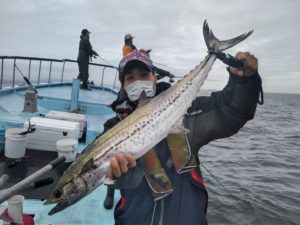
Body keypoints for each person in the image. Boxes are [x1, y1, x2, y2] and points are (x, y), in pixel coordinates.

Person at [104, 49, 261, 225]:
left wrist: (242, 81)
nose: (138, 82)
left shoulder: (185, 110)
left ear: (155, 78)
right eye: (130, 78)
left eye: (144, 74)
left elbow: (232, 111)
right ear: (123, 85)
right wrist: (119, 177)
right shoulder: (113, 127)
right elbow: (115, 177)